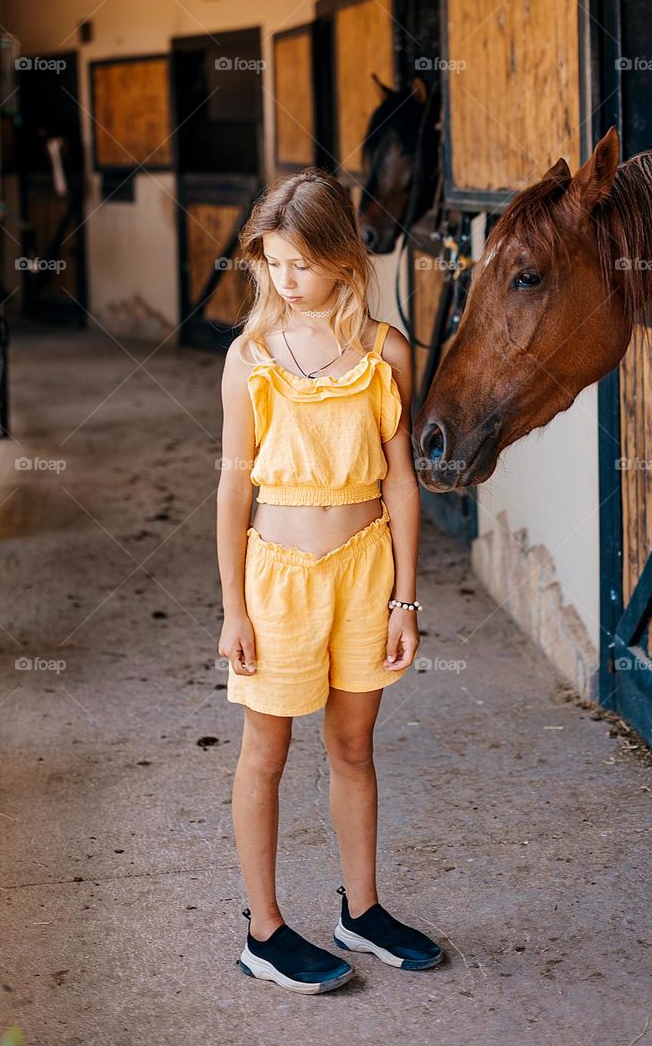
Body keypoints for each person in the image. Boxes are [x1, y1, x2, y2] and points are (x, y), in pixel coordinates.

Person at [216, 168, 443, 994]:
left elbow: (402, 481)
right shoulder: (250, 357)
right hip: (276, 579)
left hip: (365, 571)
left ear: (344, 258)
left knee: (353, 745)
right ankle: (265, 929)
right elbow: (233, 486)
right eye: (272, 264)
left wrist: (405, 597)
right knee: (265, 751)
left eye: (300, 264)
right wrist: (234, 607)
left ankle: (363, 910)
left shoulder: (387, 352)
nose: (286, 281)